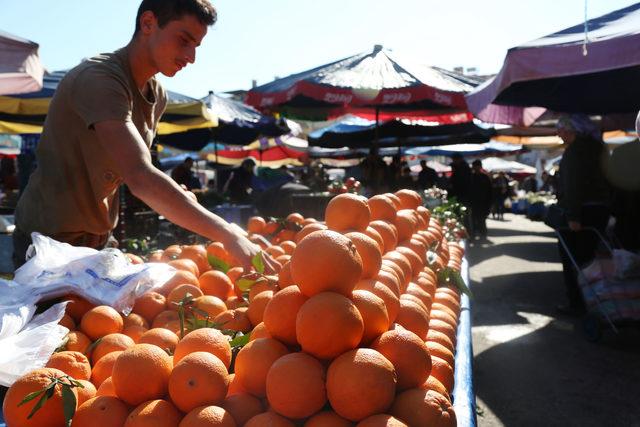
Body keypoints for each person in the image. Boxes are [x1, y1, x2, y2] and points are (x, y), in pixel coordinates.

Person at [13, 0, 276, 273]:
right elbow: (139, 176)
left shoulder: (157, 95)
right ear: (148, 23)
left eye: (196, 46)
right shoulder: (99, 79)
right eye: (183, 40)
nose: (191, 57)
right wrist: (228, 234)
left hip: (98, 240)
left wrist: (175, 195)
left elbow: (131, 172)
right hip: (47, 242)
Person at [554, 114, 610, 315]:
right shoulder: (600, 148)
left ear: (572, 131)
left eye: (560, 129)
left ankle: (577, 303)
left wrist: (573, 216)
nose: (558, 133)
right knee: (592, 258)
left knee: (573, 260)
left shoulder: (574, 152)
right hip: (600, 211)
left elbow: (573, 186)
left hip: (582, 213)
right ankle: (599, 298)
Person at [469, 160, 493, 240]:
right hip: (473, 203)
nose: (476, 168)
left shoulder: (485, 177)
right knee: (473, 219)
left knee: (482, 219)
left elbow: (490, 191)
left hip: (483, 203)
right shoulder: (470, 177)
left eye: (477, 166)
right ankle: (474, 234)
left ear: (480, 167)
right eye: (474, 166)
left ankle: (483, 233)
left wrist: (490, 203)